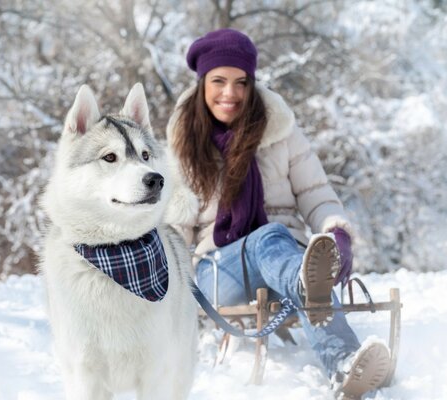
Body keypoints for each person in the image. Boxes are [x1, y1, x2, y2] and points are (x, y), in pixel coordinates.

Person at [165, 28, 390, 399]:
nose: (230, 94)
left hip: (283, 258)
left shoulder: (281, 131)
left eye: (241, 82)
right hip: (220, 272)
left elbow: (315, 193)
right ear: (203, 82)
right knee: (275, 241)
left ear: (253, 84)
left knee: (279, 243)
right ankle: (307, 286)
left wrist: (336, 232)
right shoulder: (184, 145)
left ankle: (346, 366)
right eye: (219, 81)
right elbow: (173, 230)